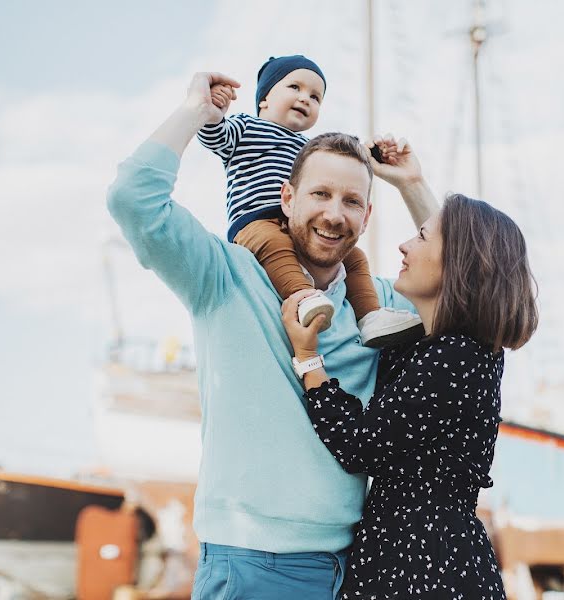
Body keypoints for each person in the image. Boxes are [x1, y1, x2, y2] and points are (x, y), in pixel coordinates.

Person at [106, 71, 439, 600]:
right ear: (287, 198)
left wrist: (413, 184)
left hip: (356, 567)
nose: (334, 214)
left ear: (368, 215)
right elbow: (133, 199)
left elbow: (468, 285)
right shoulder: (223, 275)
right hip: (251, 565)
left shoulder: (380, 306)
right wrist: (195, 111)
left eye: (352, 201)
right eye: (320, 194)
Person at [281, 152, 539, 599]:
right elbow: (455, 243)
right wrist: (411, 183)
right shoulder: (447, 346)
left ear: (455, 264)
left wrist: (308, 357)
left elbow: (360, 445)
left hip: (424, 566)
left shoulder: (455, 356)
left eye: (419, 238)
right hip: (420, 557)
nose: (403, 246)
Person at [197, 54, 422, 347]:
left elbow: (344, 157)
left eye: (315, 96)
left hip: (296, 222)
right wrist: (212, 113)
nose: (305, 99)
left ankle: (370, 316)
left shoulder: (309, 147)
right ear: (264, 99)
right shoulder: (246, 128)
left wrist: (371, 151)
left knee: (354, 257)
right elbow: (216, 136)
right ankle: (302, 296)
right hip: (255, 220)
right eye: (295, 88)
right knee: (274, 245)